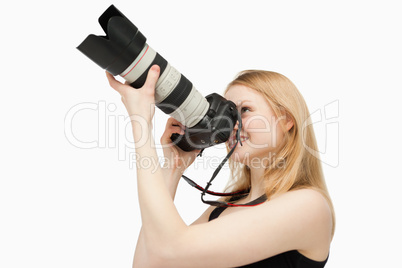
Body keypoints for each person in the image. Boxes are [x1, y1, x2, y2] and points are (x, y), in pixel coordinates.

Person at [106, 65, 335, 268]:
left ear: (286, 120)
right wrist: (173, 169)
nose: (232, 125)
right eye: (229, 114)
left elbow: (171, 250)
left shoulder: (308, 205)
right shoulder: (225, 208)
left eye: (244, 110)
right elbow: (150, 263)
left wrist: (141, 124)